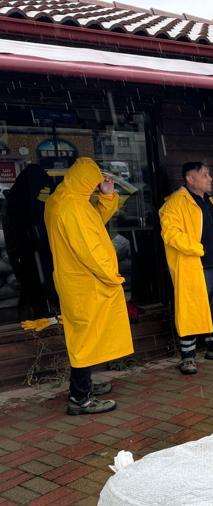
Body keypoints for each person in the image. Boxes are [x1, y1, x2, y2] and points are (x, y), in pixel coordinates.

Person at [44, 157, 130, 415]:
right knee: (85, 338)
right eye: (94, 183)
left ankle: (85, 386)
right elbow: (89, 249)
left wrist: (106, 197)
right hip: (86, 281)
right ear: (85, 181)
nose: (96, 187)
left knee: (86, 335)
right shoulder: (72, 207)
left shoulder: (64, 200)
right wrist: (111, 276)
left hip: (78, 280)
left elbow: (93, 223)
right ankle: (80, 398)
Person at [159, 162, 213, 375]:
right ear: (190, 178)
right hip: (194, 266)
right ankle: (187, 358)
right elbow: (170, 234)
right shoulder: (175, 203)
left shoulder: (209, 201)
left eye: (209, 174)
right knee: (191, 310)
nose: (210, 178)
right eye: (204, 175)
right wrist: (197, 248)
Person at [3, 164, 58, 321]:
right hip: (28, 252)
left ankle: (41, 311)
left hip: (37, 250)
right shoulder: (19, 201)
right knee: (33, 284)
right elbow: (17, 230)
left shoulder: (25, 196)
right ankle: (39, 313)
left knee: (37, 284)